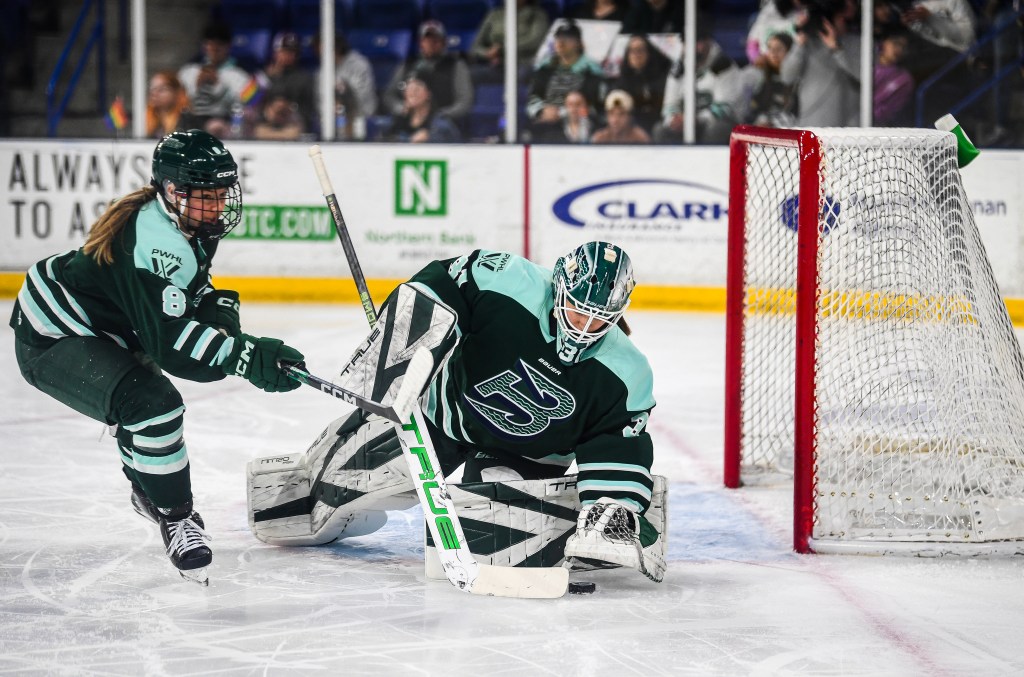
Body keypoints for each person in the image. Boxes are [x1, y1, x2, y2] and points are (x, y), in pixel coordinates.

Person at [249, 242, 666, 583]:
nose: (583, 327)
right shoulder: (507, 281)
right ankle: (324, 486)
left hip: (530, 456)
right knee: (342, 480)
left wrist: (614, 506)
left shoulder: (627, 373)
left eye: (599, 321)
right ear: (559, 286)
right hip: (443, 416)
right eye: (577, 310)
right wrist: (404, 336)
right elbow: (442, 283)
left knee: (494, 516)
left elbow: (617, 444)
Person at [9, 130, 305, 584]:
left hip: (109, 325)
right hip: (54, 330)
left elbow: (186, 296)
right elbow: (171, 346)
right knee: (151, 405)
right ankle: (175, 515)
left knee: (144, 408)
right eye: (206, 195)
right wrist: (243, 355)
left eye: (222, 193)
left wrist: (218, 312)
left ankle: (148, 491)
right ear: (171, 190)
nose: (218, 205)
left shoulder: (189, 223)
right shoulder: (154, 241)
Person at [654, 26, 745, 144]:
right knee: (660, 130)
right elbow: (669, 105)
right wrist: (673, 119)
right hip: (686, 123)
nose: (692, 47)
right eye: (687, 43)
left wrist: (695, 119)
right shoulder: (678, 69)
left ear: (708, 42)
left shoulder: (723, 65)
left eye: (697, 42)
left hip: (715, 122)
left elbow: (725, 108)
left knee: (716, 129)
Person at [778, 0, 861, 127]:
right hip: (812, 128)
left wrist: (836, 49)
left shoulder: (858, 43)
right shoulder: (807, 44)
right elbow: (787, 77)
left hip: (849, 132)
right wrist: (799, 44)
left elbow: (865, 77)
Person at [382, 20, 473, 127]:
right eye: (428, 39)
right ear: (421, 42)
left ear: (444, 42)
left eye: (436, 40)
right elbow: (389, 95)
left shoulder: (455, 65)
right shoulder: (408, 64)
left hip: (442, 122)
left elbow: (464, 101)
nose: (432, 43)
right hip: (409, 121)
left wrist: (441, 115)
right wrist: (401, 109)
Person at [526, 21, 606, 141]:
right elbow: (533, 96)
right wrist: (541, 111)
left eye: (567, 38)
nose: (561, 43)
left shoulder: (592, 70)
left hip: (580, 127)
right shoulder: (545, 68)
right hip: (546, 124)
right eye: (558, 38)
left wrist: (562, 113)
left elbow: (597, 105)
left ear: (578, 43)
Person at [177, 22, 252, 138]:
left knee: (215, 127)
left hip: (224, 127)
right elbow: (177, 101)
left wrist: (220, 86)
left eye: (219, 45)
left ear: (228, 47)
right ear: (204, 46)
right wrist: (195, 85)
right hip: (190, 124)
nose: (214, 49)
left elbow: (247, 109)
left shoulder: (240, 76)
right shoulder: (188, 72)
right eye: (210, 44)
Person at [469, 0, 551, 84]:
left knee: (524, 74)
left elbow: (536, 42)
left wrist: (502, 49)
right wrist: (487, 53)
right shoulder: (494, 15)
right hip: (498, 65)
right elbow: (475, 46)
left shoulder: (538, 15)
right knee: (472, 75)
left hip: (524, 63)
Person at [609, 34, 672, 134]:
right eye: (632, 51)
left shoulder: (662, 78)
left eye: (640, 50)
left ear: (649, 53)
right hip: (631, 130)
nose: (636, 54)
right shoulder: (621, 83)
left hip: (658, 126)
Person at [258, 32, 316, 135]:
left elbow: (308, 111)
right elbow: (249, 101)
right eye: (284, 51)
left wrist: (288, 109)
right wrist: (267, 112)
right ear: (275, 52)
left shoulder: (304, 78)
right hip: (266, 123)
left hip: (292, 125)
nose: (289, 55)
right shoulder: (264, 76)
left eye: (293, 52)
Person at [381, 75, 462, 143]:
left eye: (417, 88)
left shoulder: (442, 126)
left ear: (428, 93)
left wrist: (431, 139)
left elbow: (458, 152)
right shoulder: (394, 122)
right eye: (409, 88)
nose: (412, 93)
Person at [742, 31, 797, 127]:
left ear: (789, 51)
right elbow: (753, 110)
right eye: (770, 48)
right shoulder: (760, 76)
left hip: (791, 130)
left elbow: (796, 113)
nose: (773, 53)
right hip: (761, 129)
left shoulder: (798, 79)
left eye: (779, 49)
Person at [874, 28, 915, 126]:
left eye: (903, 47)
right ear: (883, 42)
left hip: (874, 129)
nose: (899, 50)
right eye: (896, 43)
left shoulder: (904, 79)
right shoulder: (863, 65)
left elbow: (889, 112)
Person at [145, 70, 191, 139]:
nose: (154, 93)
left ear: (176, 92)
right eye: (153, 89)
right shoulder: (147, 119)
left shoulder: (188, 120)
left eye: (162, 89)